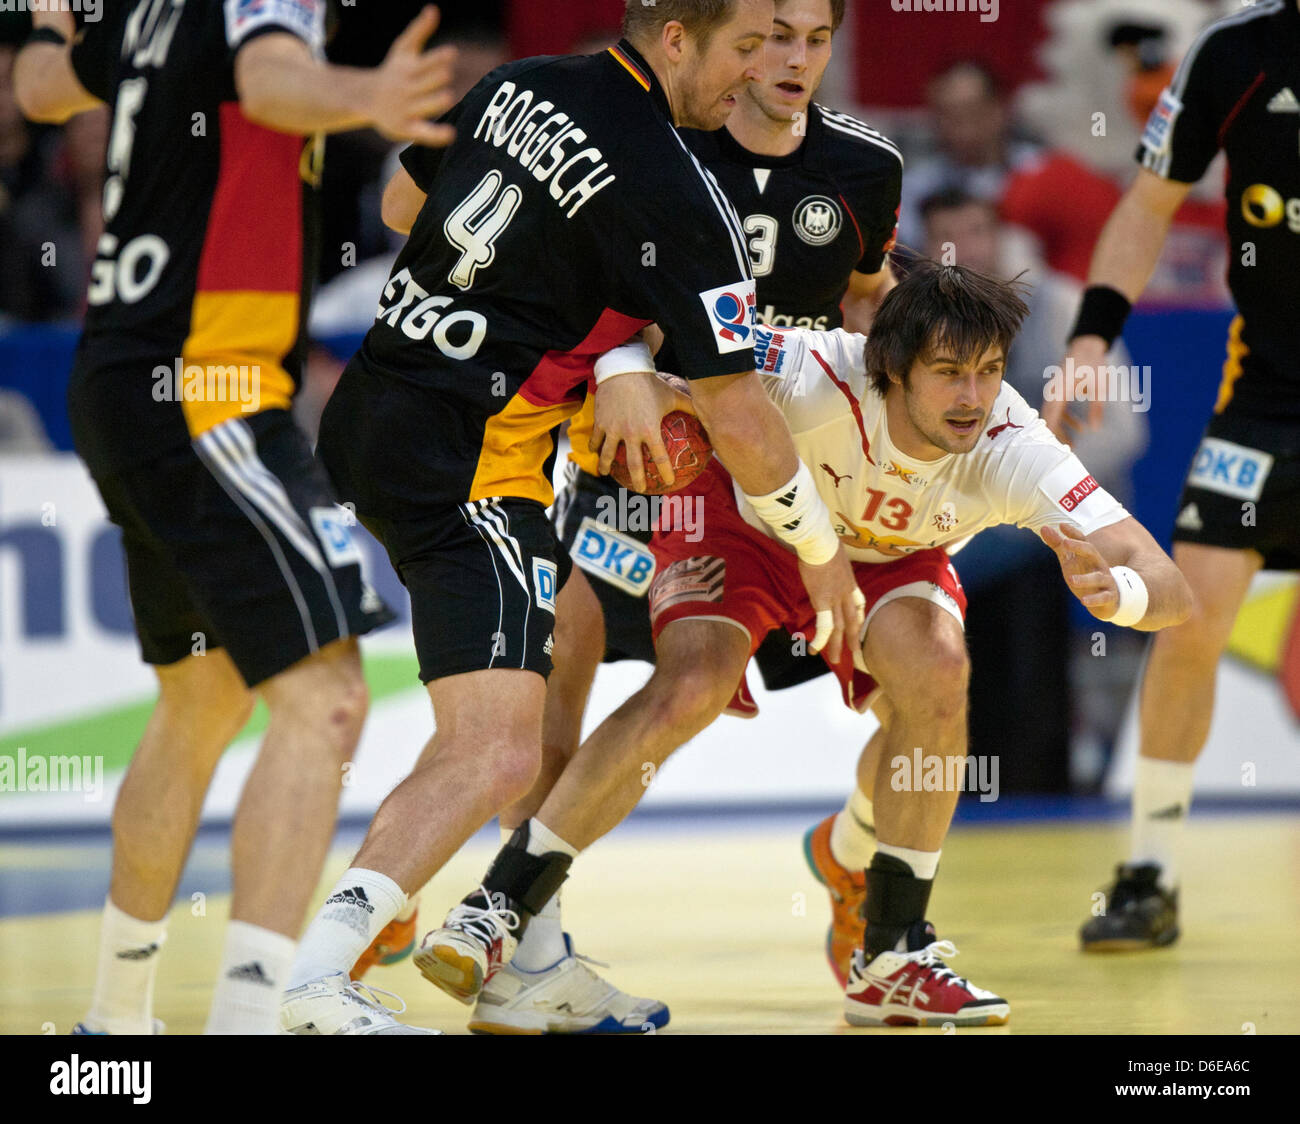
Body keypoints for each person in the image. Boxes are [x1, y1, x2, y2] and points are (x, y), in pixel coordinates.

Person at [283, 0, 863, 1035]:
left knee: (501, 722)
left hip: (377, 406)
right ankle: (318, 979)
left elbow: (401, 204)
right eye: (744, 47)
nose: (757, 72)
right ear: (677, 37)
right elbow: (735, 408)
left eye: (791, 45)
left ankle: (529, 960)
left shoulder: (526, 82)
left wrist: (562, 310)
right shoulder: (677, 190)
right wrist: (817, 547)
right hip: (472, 454)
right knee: (503, 749)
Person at [440, 261, 1193, 1026]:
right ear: (890, 368)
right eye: (948, 373)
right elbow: (653, 318)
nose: (973, 397)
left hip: (888, 558)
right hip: (745, 521)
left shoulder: (1011, 440)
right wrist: (628, 368)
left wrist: (1119, 594)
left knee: (938, 670)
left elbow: (1169, 586)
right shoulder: (810, 368)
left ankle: (892, 953)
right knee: (692, 685)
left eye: (988, 371)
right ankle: (499, 905)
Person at [12, 1, 459, 1034]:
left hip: (125, 372)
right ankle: (258, 1016)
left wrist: (43, 24)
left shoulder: (148, 10)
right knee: (328, 701)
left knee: (202, 699)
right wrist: (363, 97)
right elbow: (267, 83)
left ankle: (115, 1018)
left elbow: (41, 89)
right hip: (204, 381)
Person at [473, 0, 897, 1007]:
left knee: (920, 676)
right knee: (555, 680)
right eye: (774, 36)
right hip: (642, 465)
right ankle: (518, 936)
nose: (794, 60)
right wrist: (623, 362)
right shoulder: (653, 147)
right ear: (727, 45)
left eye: (816, 38)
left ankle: (857, 859)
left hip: (786, 474)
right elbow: (587, 278)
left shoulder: (864, 167)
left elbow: (870, 304)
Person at [1043, 0, 1300, 951]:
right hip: (1269, 400)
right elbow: (1148, 204)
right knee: (1186, 612)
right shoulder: (1235, 54)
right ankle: (1150, 869)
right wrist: (1090, 338)